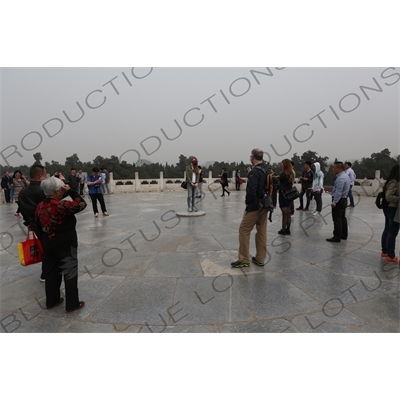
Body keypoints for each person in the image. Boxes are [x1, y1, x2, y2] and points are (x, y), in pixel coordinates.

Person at [35, 177, 86, 313]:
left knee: (51, 273)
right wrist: (71, 191)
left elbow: (37, 225)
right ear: (57, 191)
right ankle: (72, 304)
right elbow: (81, 203)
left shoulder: (40, 205)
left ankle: (52, 300)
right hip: (65, 243)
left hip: (49, 243)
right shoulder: (60, 205)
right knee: (69, 273)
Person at [231, 148, 269, 268]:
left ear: (253, 157)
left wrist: (248, 203)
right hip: (266, 204)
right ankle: (260, 258)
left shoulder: (255, 171)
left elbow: (251, 191)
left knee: (244, 230)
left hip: (255, 206)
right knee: (261, 231)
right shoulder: (267, 169)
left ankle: (244, 259)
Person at [18, 165, 49, 281]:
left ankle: (45, 272)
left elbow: (22, 209)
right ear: (41, 176)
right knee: (48, 248)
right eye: (45, 175)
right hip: (46, 223)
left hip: (34, 224)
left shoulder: (23, 193)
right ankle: (46, 273)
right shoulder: (43, 190)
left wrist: (28, 223)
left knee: (44, 245)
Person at [326, 161, 351, 242]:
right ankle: (344, 234)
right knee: (342, 218)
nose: (333, 169)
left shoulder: (341, 178)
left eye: (334, 168)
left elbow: (338, 191)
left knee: (337, 219)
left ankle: (337, 236)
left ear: (339, 168)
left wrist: (334, 202)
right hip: (344, 199)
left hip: (339, 200)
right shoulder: (346, 176)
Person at [380, 164, 399, 263]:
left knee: (388, 229)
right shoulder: (394, 182)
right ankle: (391, 255)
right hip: (392, 208)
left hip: (388, 208)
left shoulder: (390, 181)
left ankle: (385, 251)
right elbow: (388, 197)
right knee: (392, 231)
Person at [278, 159, 295, 235]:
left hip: (283, 194)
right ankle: (288, 229)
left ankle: (283, 229)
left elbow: (279, 184)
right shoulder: (291, 173)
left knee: (284, 213)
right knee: (288, 213)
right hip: (290, 194)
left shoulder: (283, 174)